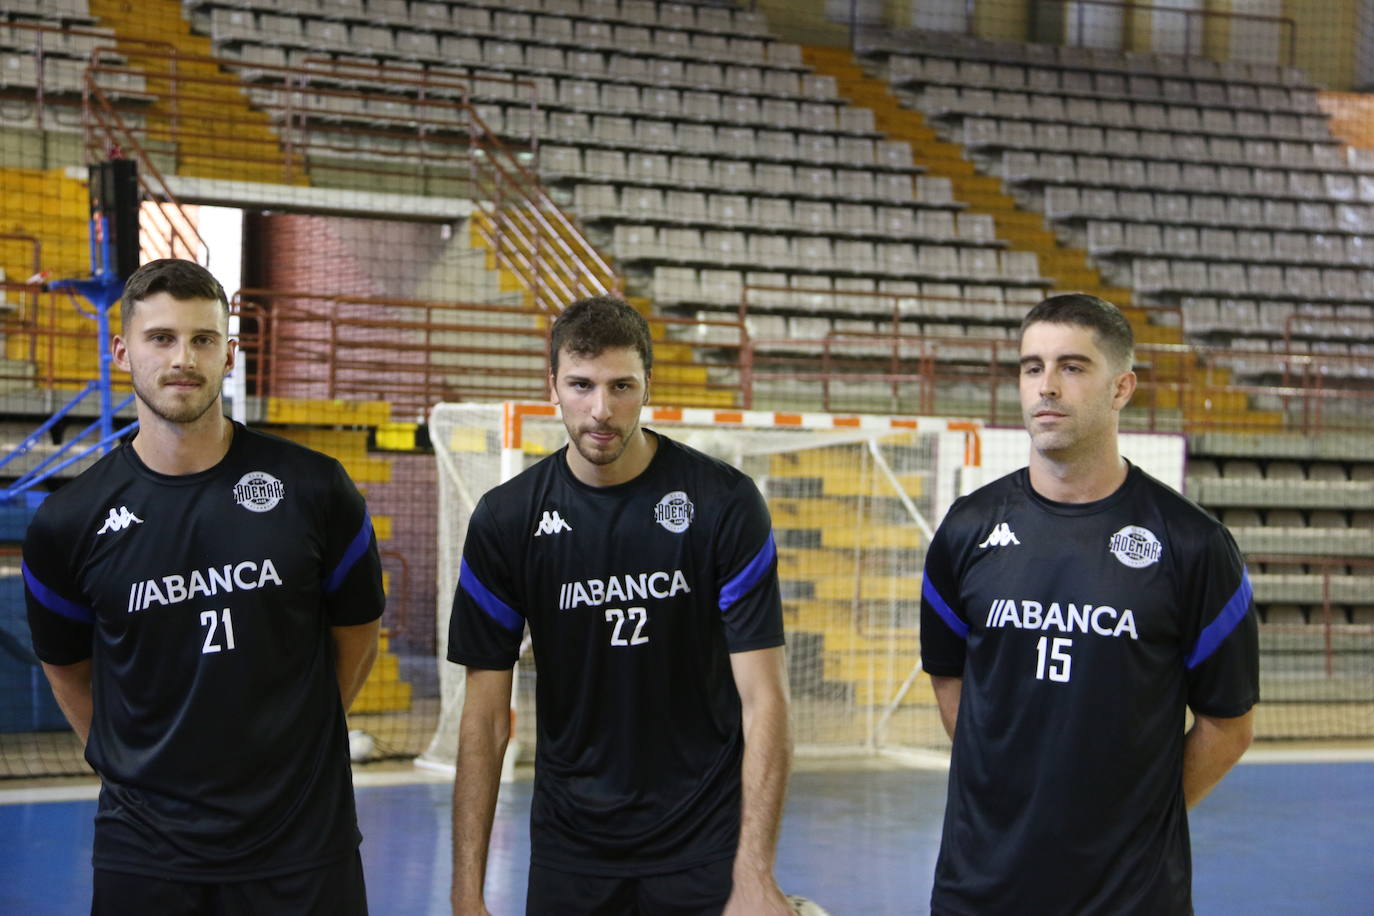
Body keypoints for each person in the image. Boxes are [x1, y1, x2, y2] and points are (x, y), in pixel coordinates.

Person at [23, 258, 385, 915]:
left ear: (230, 352)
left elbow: (357, 632)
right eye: (161, 338)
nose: (183, 359)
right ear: (121, 350)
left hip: (301, 845)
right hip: (146, 854)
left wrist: (299, 738)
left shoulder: (315, 488)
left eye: (202, 339)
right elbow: (66, 668)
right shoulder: (68, 523)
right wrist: (132, 764)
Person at [448, 295, 793, 916]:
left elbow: (764, 698)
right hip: (570, 847)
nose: (601, 410)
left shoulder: (724, 503)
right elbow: (484, 717)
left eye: (621, 386)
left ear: (647, 385)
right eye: (581, 385)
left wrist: (754, 874)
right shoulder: (506, 520)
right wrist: (466, 893)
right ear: (551, 384)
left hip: (703, 843)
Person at [920, 294, 1259, 914]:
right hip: (980, 885)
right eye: (1031, 367)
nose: (1046, 386)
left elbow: (1228, 726)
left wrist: (1130, 821)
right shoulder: (967, 529)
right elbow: (948, 677)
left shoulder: (1193, 544)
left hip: (1130, 895)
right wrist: (1005, 790)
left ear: (1121, 387)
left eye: (1072, 367)